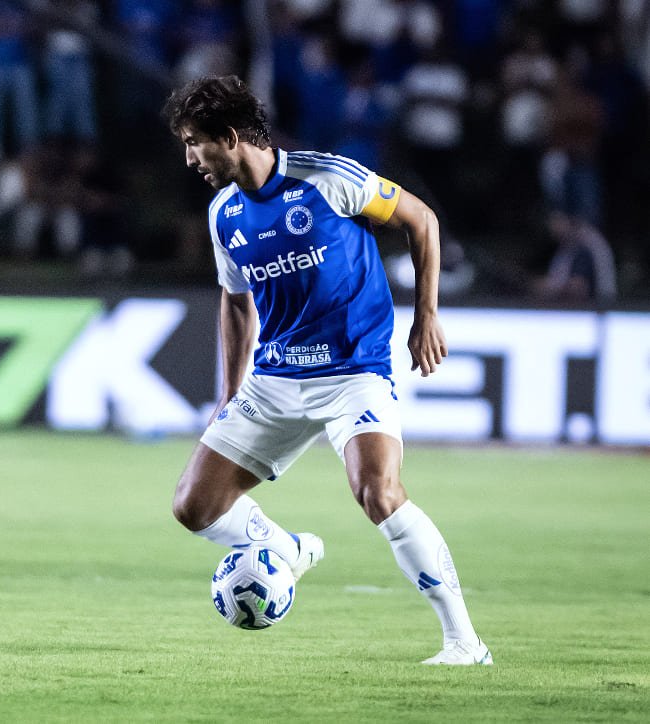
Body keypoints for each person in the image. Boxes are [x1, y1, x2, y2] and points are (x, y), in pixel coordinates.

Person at [161, 75, 491, 665]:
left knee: (379, 492)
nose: (188, 159)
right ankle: (284, 548)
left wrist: (426, 316)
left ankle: (464, 642)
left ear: (230, 137)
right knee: (194, 506)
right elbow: (235, 303)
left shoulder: (328, 178)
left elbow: (422, 221)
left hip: (353, 371)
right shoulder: (223, 215)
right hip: (276, 377)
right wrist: (229, 391)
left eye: (194, 142)